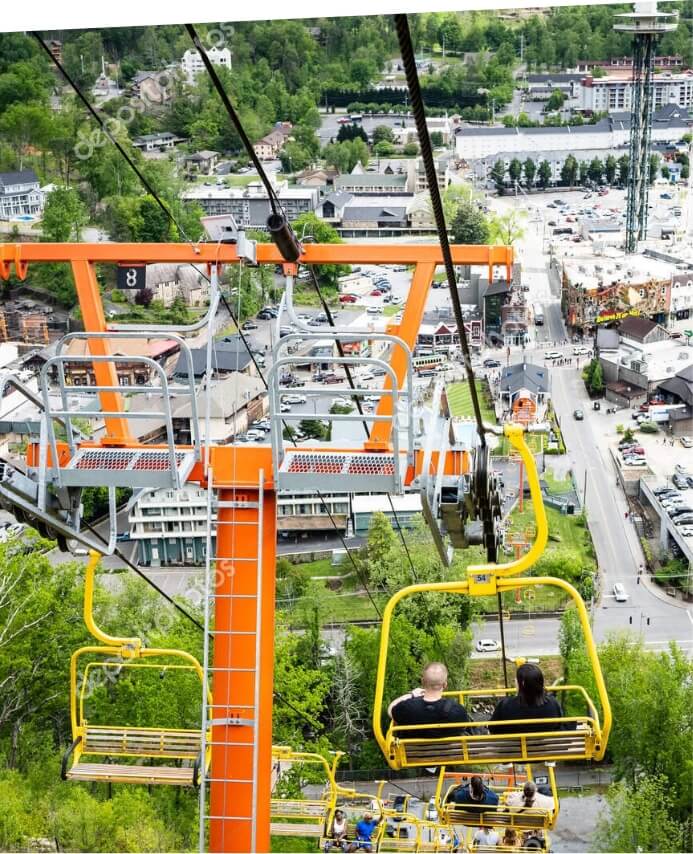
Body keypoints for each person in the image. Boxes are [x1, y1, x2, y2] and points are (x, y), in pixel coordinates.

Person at [389, 662, 471, 739]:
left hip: (411, 753)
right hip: (450, 753)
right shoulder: (457, 710)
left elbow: (390, 710)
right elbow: (464, 728)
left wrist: (411, 695)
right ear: (445, 684)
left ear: (422, 682)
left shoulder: (407, 707)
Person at [489, 663, 564, 734]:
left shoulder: (505, 705)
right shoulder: (553, 703)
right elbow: (558, 725)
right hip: (546, 746)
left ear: (522, 684)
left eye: (516, 680)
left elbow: (493, 728)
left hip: (514, 747)